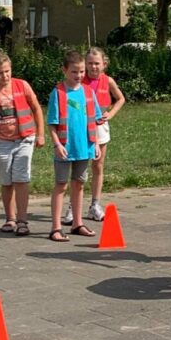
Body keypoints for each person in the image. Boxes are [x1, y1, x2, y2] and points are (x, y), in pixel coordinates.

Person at [0, 50, 45, 236]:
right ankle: (10, 218)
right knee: (6, 181)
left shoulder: (22, 86)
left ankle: (23, 220)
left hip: (25, 138)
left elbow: (36, 108)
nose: (5, 76)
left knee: (21, 178)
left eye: (7, 71)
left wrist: (40, 134)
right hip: (2, 142)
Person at [46, 50, 102, 241]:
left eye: (81, 72)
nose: (78, 76)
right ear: (64, 70)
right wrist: (56, 144)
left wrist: (94, 143)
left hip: (83, 148)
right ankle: (56, 227)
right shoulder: (58, 93)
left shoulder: (88, 92)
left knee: (79, 185)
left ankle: (77, 223)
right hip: (64, 149)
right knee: (61, 185)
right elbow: (52, 124)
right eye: (74, 72)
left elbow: (94, 119)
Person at [83, 47, 125, 221]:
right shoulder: (79, 79)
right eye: (90, 64)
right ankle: (73, 206)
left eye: (97, 64)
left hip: (100, 127)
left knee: (98, 165)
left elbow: (121, 98)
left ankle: (95, 204)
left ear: (104, 64)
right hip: (82, 128)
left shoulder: (108, 81)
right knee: (80, 168)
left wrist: (111, 113)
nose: (93, 67)